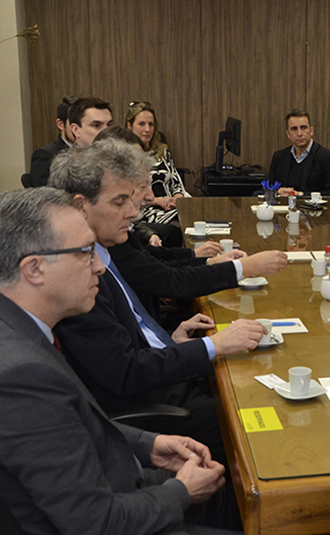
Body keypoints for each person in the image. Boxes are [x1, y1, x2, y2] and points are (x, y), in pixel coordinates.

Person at [0, 187, 241, 534]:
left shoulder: (22, 328)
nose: (99, 266)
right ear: (34, 269)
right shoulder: (22, 374)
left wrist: (150, 444)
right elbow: (96, 522)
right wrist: (181, 492)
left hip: (124, 476)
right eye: (85, 253)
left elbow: (69, 423)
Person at [49, 138, 282, 465]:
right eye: (120, 202)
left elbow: (128, 332)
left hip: (160, 369)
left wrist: (170, 340)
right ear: (80, 206)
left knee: (256, 379)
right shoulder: (79, 277)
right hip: (146, 405)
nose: (133, 211)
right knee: (259, 422)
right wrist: (212, 347)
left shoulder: (101, 251)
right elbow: (126, 373)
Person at [126, 101, 190, 247]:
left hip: (172, 207)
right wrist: (158, 201)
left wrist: (177, 200)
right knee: (180, 225)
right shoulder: (126, 155)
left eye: (151, 124)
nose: (147, 129)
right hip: (147, 210)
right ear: (130, 126)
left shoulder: (162, 151)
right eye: (141, 124)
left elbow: (176, 182)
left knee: (193, 218)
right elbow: (129, 195)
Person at [268, 109, 330, 197]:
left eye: (303, 128)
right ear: (288, 134)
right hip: (283, 208)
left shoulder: (327, 156)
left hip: (315, 209)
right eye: (294, 129)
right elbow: (268, 187)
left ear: (311, 131)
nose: (299, 133)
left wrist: (301, 195)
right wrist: (277, 192)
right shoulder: (279, 157)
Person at [29, 95, 78, 187]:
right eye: (74, 123)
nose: (78, 128)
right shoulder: (44, 155)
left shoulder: (92, 151)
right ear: (61, 124)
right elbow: (43, 196)